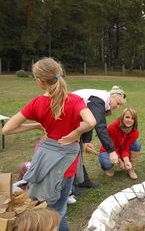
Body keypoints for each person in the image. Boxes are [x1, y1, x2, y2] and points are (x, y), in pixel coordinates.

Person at [2, 57, 96, 231]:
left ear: (40, 81)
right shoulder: (75, 100)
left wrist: (36, 125)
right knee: (59, 208)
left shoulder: (37, 103)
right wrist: (76, 132)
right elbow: (91, 122)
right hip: (67, 164)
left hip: (46, 160)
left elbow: (6, 129)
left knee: (49, 205)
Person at [73, 86, 126, 188]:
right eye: (118, 103)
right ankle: (73, 185)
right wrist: (111, 151)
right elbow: (100, 126)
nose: (118, 107)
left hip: (75, 122)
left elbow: (90, 120)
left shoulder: (99, 98)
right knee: (73, 153)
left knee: (76, 153)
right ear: (112, 97)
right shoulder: (98, 100)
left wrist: (86, 141)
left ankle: (82, 180)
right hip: (65, 120)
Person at [98, 107, 141, 180]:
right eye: (127, 117)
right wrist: (121, 161)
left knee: (136, 145)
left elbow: (126, 148)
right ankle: (108, 168)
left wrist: (126, 161)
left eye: (132, 118)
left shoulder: (134, 132)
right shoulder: (113, 127)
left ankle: (130, 168)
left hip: (122, 150)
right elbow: (112, 147)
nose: (129, 120)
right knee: (106, 163)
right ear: (122, 117)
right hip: (109, 150)